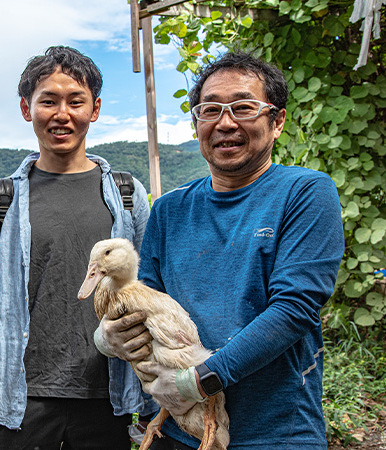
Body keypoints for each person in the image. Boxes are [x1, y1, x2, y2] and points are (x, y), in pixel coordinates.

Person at [100, 52, 345, 449]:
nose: (225, 122)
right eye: (210, 109)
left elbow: (294, 309)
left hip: (276, 432)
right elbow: (145, 299)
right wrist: (110, 335)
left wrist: (199, 380)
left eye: (244, 107)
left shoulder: (304, 193)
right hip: (180, 429)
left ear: (277, 121)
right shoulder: (170, 209)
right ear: (197, 124)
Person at [0, 45, 152, 450]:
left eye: (75, 101)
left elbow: (145, 293)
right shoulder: (1, 199)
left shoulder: (127, 194)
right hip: (22, 396)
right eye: (48, 101)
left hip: (107, 394)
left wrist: (150, 394)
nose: (61, 114)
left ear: (94, 109)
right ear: (27, 109)